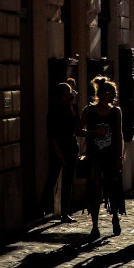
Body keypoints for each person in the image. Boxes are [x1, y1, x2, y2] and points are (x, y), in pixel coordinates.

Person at [77, 77, 125, 240]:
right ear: (103, 94)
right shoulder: (89, 111)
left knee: (112, 188)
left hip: (111, 155)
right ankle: (95, 225)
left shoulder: (115, 112)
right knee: (95, 189)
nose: (113, 96)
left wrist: (120, 156)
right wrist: (93, 133)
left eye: (114, 94)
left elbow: (119, 135)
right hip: (95, 155)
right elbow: (78, 130)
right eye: (111, 93)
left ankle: (115, 217)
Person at [40, 82, 80, 223]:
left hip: (71, 147)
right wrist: (60, 155)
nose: (68, 96)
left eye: (70, 93)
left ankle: (65, 212)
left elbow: (77, 123)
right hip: (58, 148)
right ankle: (42, 208)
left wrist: (70, 105)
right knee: (52, 178)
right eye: (65, 94)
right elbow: (52, 136)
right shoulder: (54, 112)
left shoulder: (72, 108)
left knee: (68, 181)